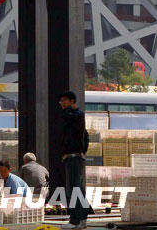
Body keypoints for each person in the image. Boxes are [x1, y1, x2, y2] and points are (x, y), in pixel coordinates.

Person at [59, 90, 91, 229]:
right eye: (61, 101)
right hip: (74, 156)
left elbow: (84, 136)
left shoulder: (76, 115)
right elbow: (86, 136)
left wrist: (80, 152)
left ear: (72, 101)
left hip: (74, 157)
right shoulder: (75, 117)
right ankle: (82, 218)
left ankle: (75, 221)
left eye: (65, 100)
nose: (62, 103)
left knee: (74, 188)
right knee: (78, 188)